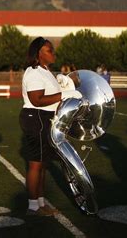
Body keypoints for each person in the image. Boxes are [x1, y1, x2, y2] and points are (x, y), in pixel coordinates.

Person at [19, 37, 82, 216]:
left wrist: (64, 86)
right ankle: (33, 206)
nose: (53, 53)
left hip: (45, 118)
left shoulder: (45, 71)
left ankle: (40, 202)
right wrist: (65, 94)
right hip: (36, 117)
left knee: (43, 164)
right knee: (35, 165)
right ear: (39, 53)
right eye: (49, 50)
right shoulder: (34, 72)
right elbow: (36, 100)